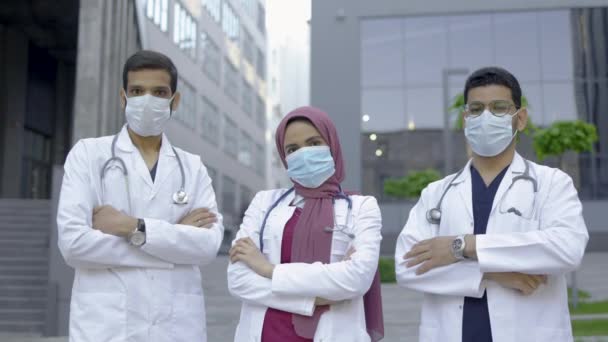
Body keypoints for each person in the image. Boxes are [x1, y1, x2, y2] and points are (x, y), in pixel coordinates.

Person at [395, 67, 589, 342]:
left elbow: (567, 249)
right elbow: (407, 266)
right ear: (465, 119)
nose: (486, 117)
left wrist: (463, 246)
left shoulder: (552, 183)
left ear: (520, 119)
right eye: (476, 109)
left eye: (499, 108)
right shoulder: (436, 193)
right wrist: (491, 274)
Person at [56, 50, 224, 342]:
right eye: (137, 91)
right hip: (107, 328)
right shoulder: (89, 155)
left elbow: (207, 246)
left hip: (176, 329)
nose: (147, 100)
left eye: (159, 92)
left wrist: (132, 228)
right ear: (123, 98)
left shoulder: (192, 167)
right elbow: (73, 245)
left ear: (175, 100)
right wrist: (172, 242)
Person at [227, 106, 384, 341]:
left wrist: (268, 270)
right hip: (266, 333)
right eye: (293, 149)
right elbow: (238, 280)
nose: (304, 154)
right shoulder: (264, 202)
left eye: (313, 143)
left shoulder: (361, 207)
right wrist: (313, 299)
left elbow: (357, 279)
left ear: (332, 144)